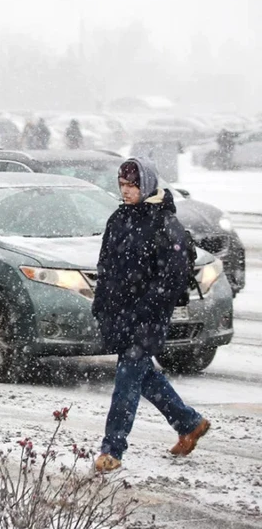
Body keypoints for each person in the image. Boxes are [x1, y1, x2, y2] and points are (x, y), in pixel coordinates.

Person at [92, 159, 210, 473]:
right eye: (122, 186)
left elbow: (172, 278)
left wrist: (145, 309)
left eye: (132, 186)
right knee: (143, 376)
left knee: (126, 381)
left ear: (145, 185)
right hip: (119, 313)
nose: (126, 191)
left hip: (147, 318)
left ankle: (112, 449)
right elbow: (106, 268)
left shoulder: (163, 222)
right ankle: (189, 423)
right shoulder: (118, 218)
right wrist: (101, 305)